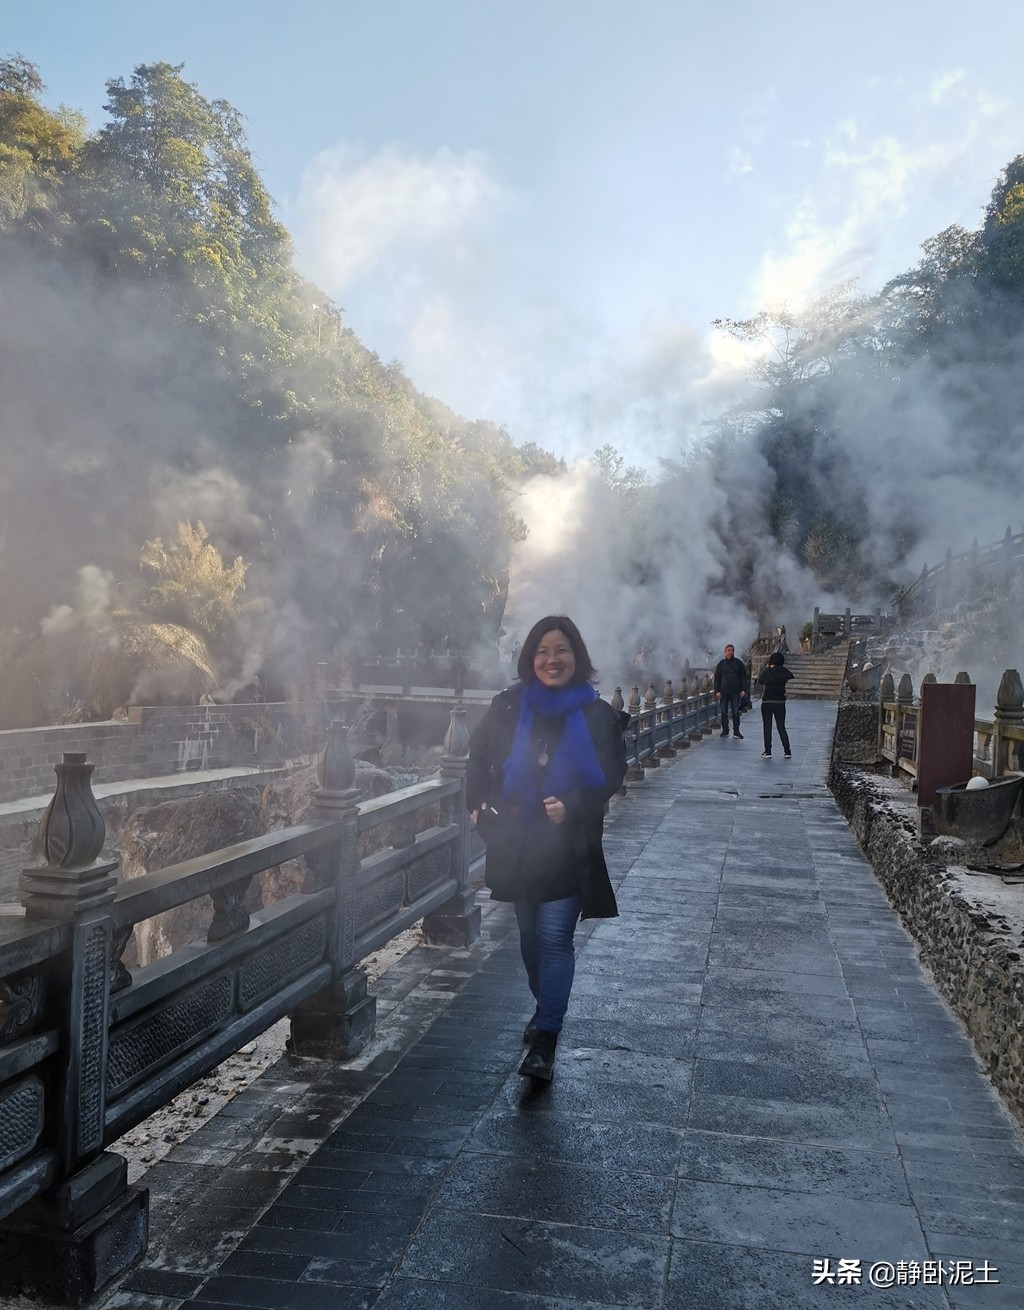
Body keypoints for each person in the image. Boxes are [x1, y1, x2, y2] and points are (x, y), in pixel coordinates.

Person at [466, 615, 629, 1082]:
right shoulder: (507, 706)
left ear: (577, 658)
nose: (551, 659)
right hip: (517, 843)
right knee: (529, 939)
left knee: (555, 938)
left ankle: (546, 1043)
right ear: (529, 658)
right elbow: (477, 756)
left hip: (568, 844)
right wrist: (476, 802)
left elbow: (611, 771)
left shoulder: (597, 714)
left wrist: (573, 805)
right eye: (543, 650)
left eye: (561, 650)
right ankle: (546, 1005)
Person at [758, 651, 794, 758]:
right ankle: (787, 751)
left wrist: (768, 668)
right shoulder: (785, 672)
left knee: (767, 727)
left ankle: (768, 751)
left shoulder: (767, 672)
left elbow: (760, 681)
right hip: (780, 702)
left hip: (767, 702)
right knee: (781, 726)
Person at [713, 643, 749, 739]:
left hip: (735, 692)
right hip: (723, 692)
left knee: (736, 712)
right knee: (724, 712)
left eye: (732, 650)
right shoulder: (721, 664)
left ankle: (736, 731)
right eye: (728, 651)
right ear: (725, 652)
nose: (730, 652)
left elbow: (743, 677)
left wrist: (743, 690)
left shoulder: (738, 663)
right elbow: (717, 678)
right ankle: (725, 730)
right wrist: (717, 691)